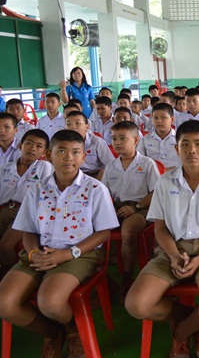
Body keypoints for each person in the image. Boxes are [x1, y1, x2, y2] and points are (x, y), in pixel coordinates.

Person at [125, 120, 199, 358]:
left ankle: (181, 333)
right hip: (173, 249)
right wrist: (173, 255)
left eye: (198, 144)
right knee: (136, 304)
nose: (192, 150)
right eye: (185, 144)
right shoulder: (165, 181)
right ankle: (197, 323)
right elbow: (160, 228)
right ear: (176, 148)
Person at [0, 129, 119, 358]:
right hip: (40, 251)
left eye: (76, 152)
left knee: (50, 302)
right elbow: (28, 230)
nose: (68, 158)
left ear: (83, 157)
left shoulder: (95, 189)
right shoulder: (37, 188)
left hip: (79, 254)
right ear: (48, 155)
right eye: (61, 151)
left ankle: (74, 331)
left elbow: (104, 232)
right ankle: (53, 333)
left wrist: (67, 254)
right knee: (5, 303)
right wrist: (33, 253)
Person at [102, 121, 160, 302]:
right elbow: (103, 193)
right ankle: (105, 280)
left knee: (128, 231)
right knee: (92, 232)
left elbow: (156, 192)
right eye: (114, 139)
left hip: (141, 208)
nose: (117, 143)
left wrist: (136, 207)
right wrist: (111, 209)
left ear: (135, 140)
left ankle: (127, 277)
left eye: (122, 138)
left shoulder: (147, 163)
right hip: (117, 208)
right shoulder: (111, 166)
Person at [0, 129, 54, 277]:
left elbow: (46, 195)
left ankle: (8, 275)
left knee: (5, 245)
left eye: (39, 146)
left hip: (25, 213)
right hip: (3, 210)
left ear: (44, 152)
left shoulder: (44, 167)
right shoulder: (5, 169)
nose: (33, 148)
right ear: (20, 145)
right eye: (29, 143)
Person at [65, 111, 115, 179]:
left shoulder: (97, 142)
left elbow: (111, 164)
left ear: (87, 127)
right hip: (74, 175)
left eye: (77, 123)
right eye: (68, 124)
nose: (73, 127)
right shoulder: (63, 143)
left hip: (96, 175)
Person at [137, 103, 181, 172]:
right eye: (155, 118)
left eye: (163, 117)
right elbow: (138, 160)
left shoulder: (180, 139)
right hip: (151, 174)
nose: (159, 121)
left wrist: (166, 171)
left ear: (172, 119)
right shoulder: (145, 139)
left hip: (176, 174)